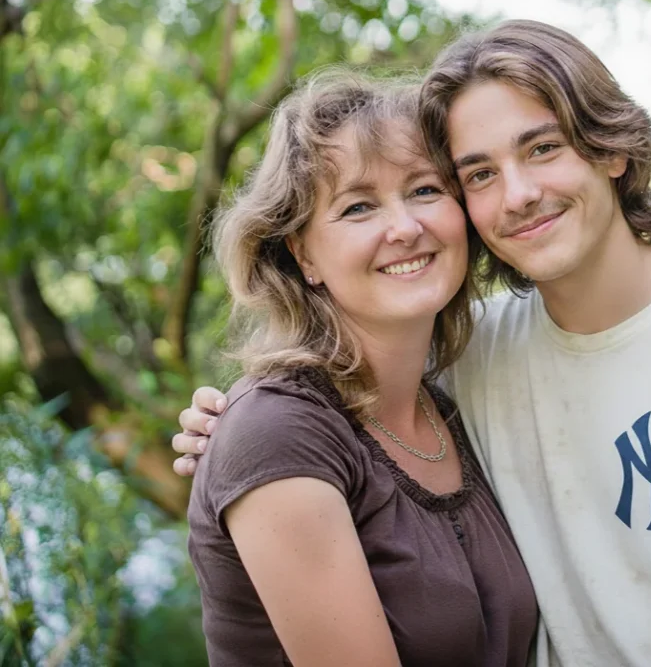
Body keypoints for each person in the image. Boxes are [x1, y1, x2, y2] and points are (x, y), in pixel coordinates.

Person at [175, 20, 651, 666]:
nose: (519, 194)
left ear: (611, 147)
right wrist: (232, 427)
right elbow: (309, 415)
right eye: (478, 174)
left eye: (543, 148)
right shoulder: (476, 354)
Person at [183, 70, 537, 667]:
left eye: (425, 190)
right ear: (301, 253)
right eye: (358, 207)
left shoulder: (453, 401)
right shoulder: (278, 433)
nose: (405, 228)